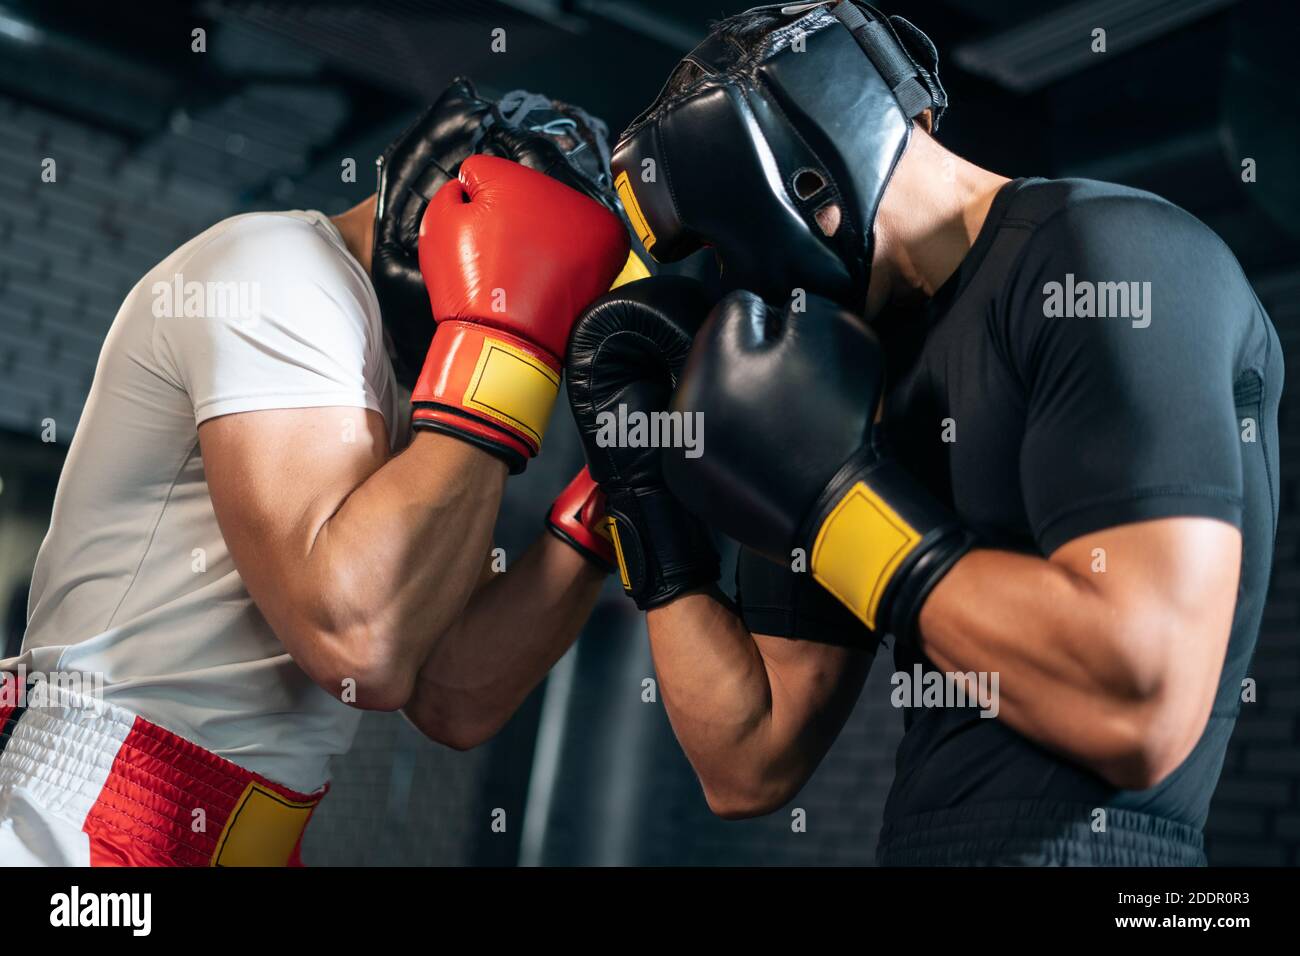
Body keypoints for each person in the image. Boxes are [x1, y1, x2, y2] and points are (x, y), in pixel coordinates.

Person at [572, 1, 1282, 865]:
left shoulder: (1107, 256)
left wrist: (835, 502)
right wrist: (644, 493)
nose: (727, 290)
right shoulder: (844, 376)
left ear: (809, 192)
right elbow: (746, 761)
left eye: (722, 249)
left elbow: (1142, 704)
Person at [0, 79, 636, 866]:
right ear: (442, 205)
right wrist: (505, 346)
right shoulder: (276, 273)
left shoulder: (431, 381)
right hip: (99, 814)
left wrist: (621, 488)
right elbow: (360, 644)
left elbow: (451, 695)